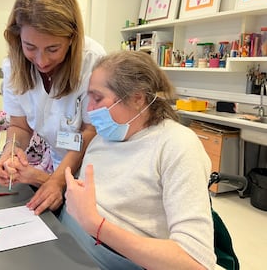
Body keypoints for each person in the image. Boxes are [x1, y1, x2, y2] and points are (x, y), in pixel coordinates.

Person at [61, 51, 216, 270]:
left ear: (137, 98)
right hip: (68, 242)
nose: (89, 109)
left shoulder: (176, 145)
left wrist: (95, 224)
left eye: (97, 98)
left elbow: (194, 262)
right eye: (88, 99)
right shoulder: (102, 139)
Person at [0, 0, 106, 215]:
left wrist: (56, 180)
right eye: (30, 47)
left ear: (72, 38)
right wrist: (11, 153)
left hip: (92, 165)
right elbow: (19, 126)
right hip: (57, 161)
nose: (42, 61)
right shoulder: (13, 66)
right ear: (17, 38)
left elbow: (89, 131)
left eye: (53, 49)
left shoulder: (93, 62)